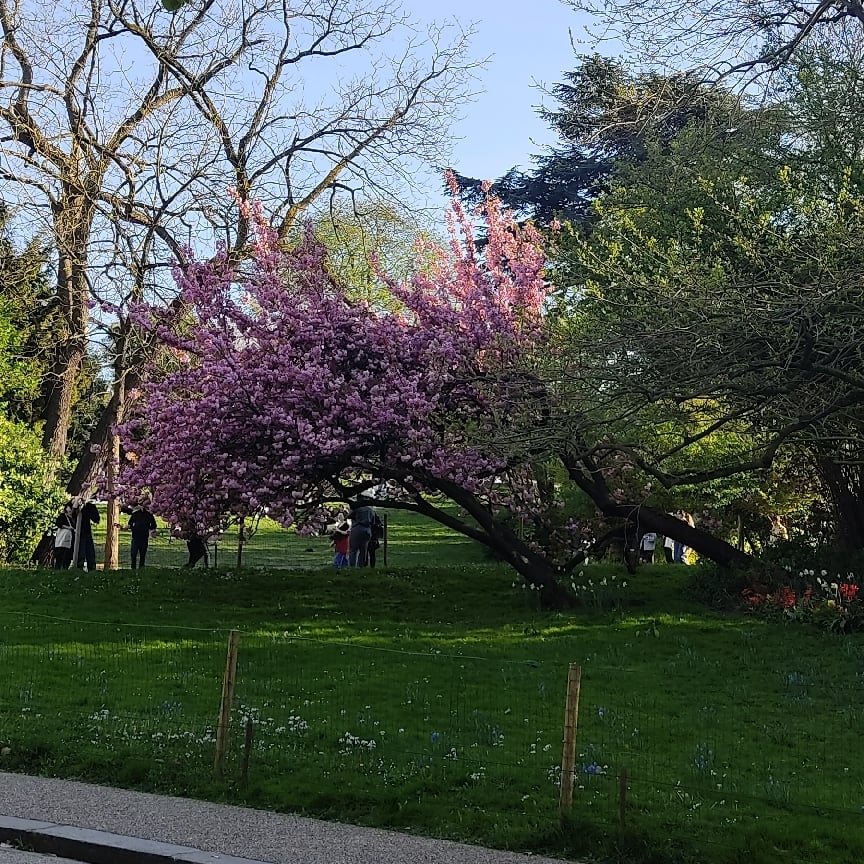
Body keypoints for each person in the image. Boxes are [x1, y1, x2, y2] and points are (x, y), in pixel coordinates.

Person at [127, 500, 157, 569]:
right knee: (133, 554)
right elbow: (130, 523)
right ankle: (133, 568)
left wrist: (151, 531)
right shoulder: (135, 514)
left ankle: (141, 568)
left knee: (142, 554)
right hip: (135, 537)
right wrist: (131, 528)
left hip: (144, 537)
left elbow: (153, 525)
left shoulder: (149, 515)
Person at [75, 499, 100, 571]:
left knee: (89, 550)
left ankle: (91, 567)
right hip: (75, 531)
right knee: (80, 550)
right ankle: (79, 567)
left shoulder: (89, 506)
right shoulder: (74, 505)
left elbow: (96, 519)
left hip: (86, 531)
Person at [348, 502, 376, 567]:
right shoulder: (371, 510)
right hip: (367, 529)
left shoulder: (357, 508)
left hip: (357, 528)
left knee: (353, 549)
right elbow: (373, 522)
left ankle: (352, 566)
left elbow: (349, 516)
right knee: (363, 550)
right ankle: (361, 566)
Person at [53, 503, 76, 570]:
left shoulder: (74, 518)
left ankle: (65, 568)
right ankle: (58, 568)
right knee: (60, 554)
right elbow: (58, 524)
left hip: (70, 539)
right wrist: (68, 528)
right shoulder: (63, 516)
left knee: (68, 555)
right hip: (62, 539)